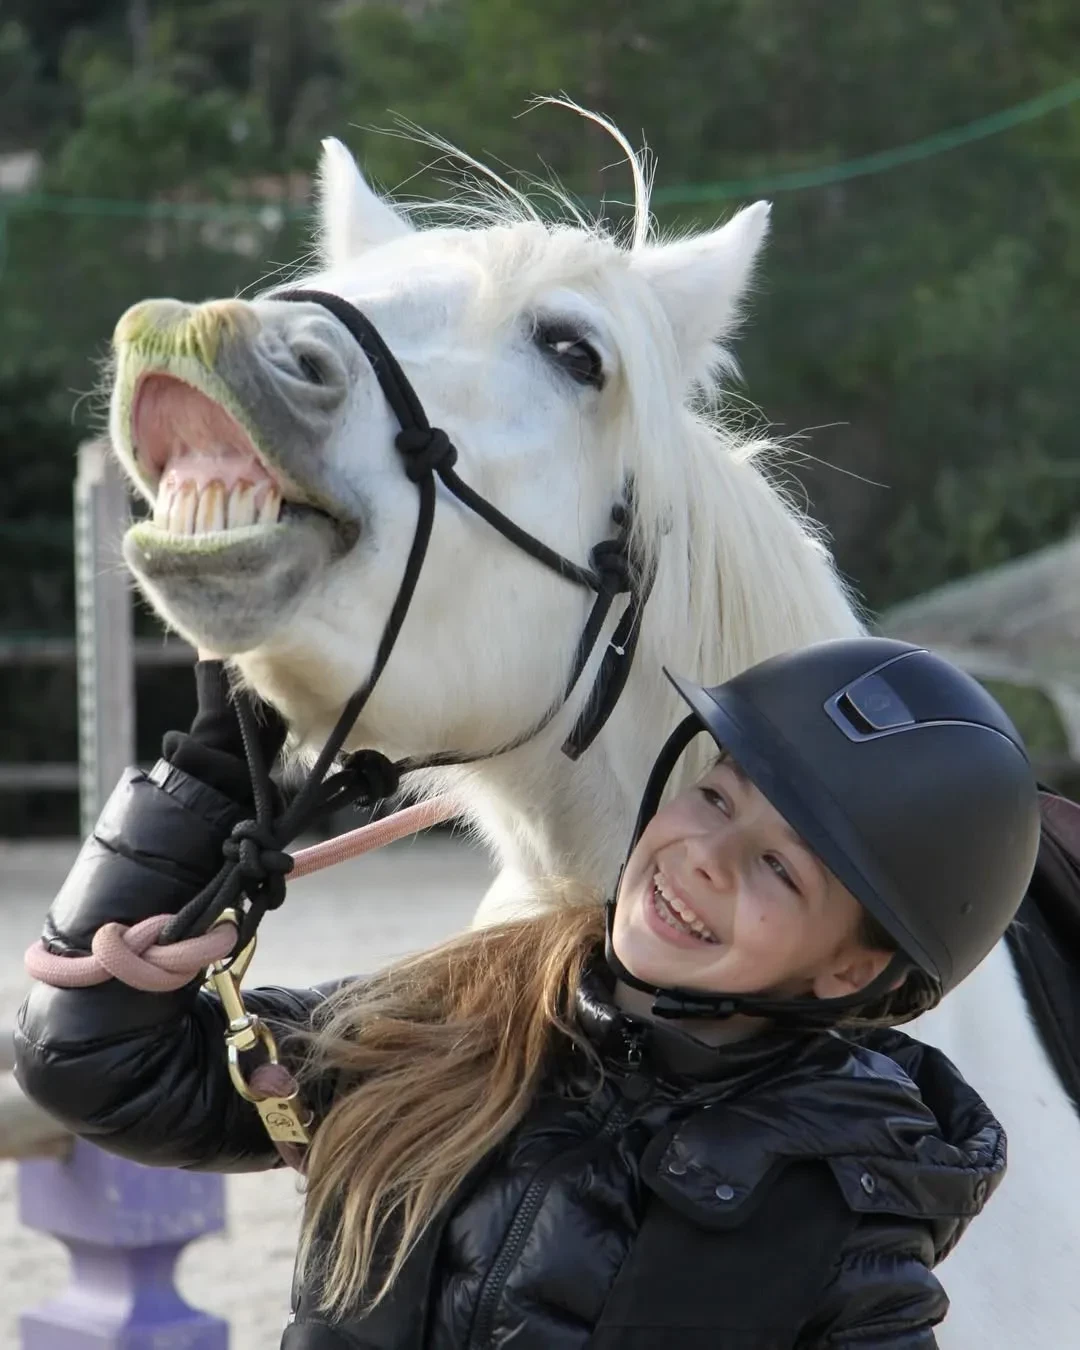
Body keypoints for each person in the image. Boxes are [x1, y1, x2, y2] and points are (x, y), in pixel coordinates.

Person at [15, 637, 1041, 1349]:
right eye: (716, 795)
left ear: (851, 971)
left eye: (781, 868)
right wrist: (210, 788)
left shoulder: (851, 1221)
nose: (705, 856)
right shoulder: (460, 1007)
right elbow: (97, 1067)